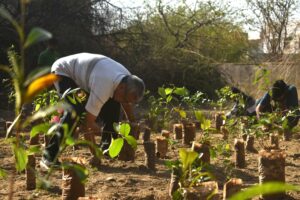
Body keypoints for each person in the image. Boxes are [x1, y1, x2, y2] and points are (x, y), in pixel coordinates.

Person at [40, 53, 145, 169]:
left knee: (114, 104)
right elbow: (87, 123)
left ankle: (107, 148)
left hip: (89, 76)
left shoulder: (127, 79)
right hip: (64, 72)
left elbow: (126, 101)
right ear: (122, 87)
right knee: (75, 111)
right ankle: (48, 157)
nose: (124, 102)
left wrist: (132, 122)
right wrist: (94, 154)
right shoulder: (103, 85)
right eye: (125, 98)